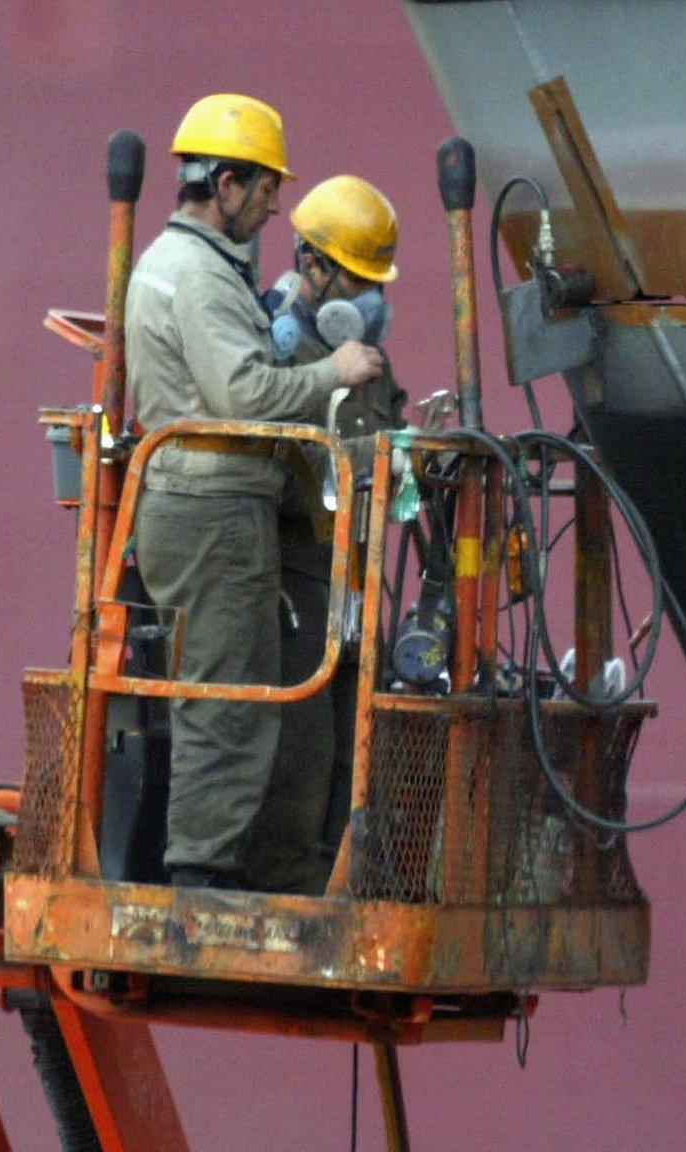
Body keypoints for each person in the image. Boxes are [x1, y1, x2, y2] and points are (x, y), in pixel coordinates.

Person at [124, 93, 385, 892]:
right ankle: (201, 882)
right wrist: (331, 373)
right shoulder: (199, 277)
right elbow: (242, 393)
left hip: (205, 507)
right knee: (230, 703)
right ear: (226, 183)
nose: (275, 207)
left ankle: (222, 870)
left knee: (236, 695)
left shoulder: (185, 268)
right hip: (213, 510)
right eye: (267, 189)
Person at [244, 175, 409, 894]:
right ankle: (286, 876)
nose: (368, 296)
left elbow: (381, 423)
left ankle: (336, 872)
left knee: (354, 723)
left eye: (375, 281)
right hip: (300, 564)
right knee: (303, 733)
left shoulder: (360, 348)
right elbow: (287, 446)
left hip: (352, 565)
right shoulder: (276, 339)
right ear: (312, 263)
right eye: (356, 276)